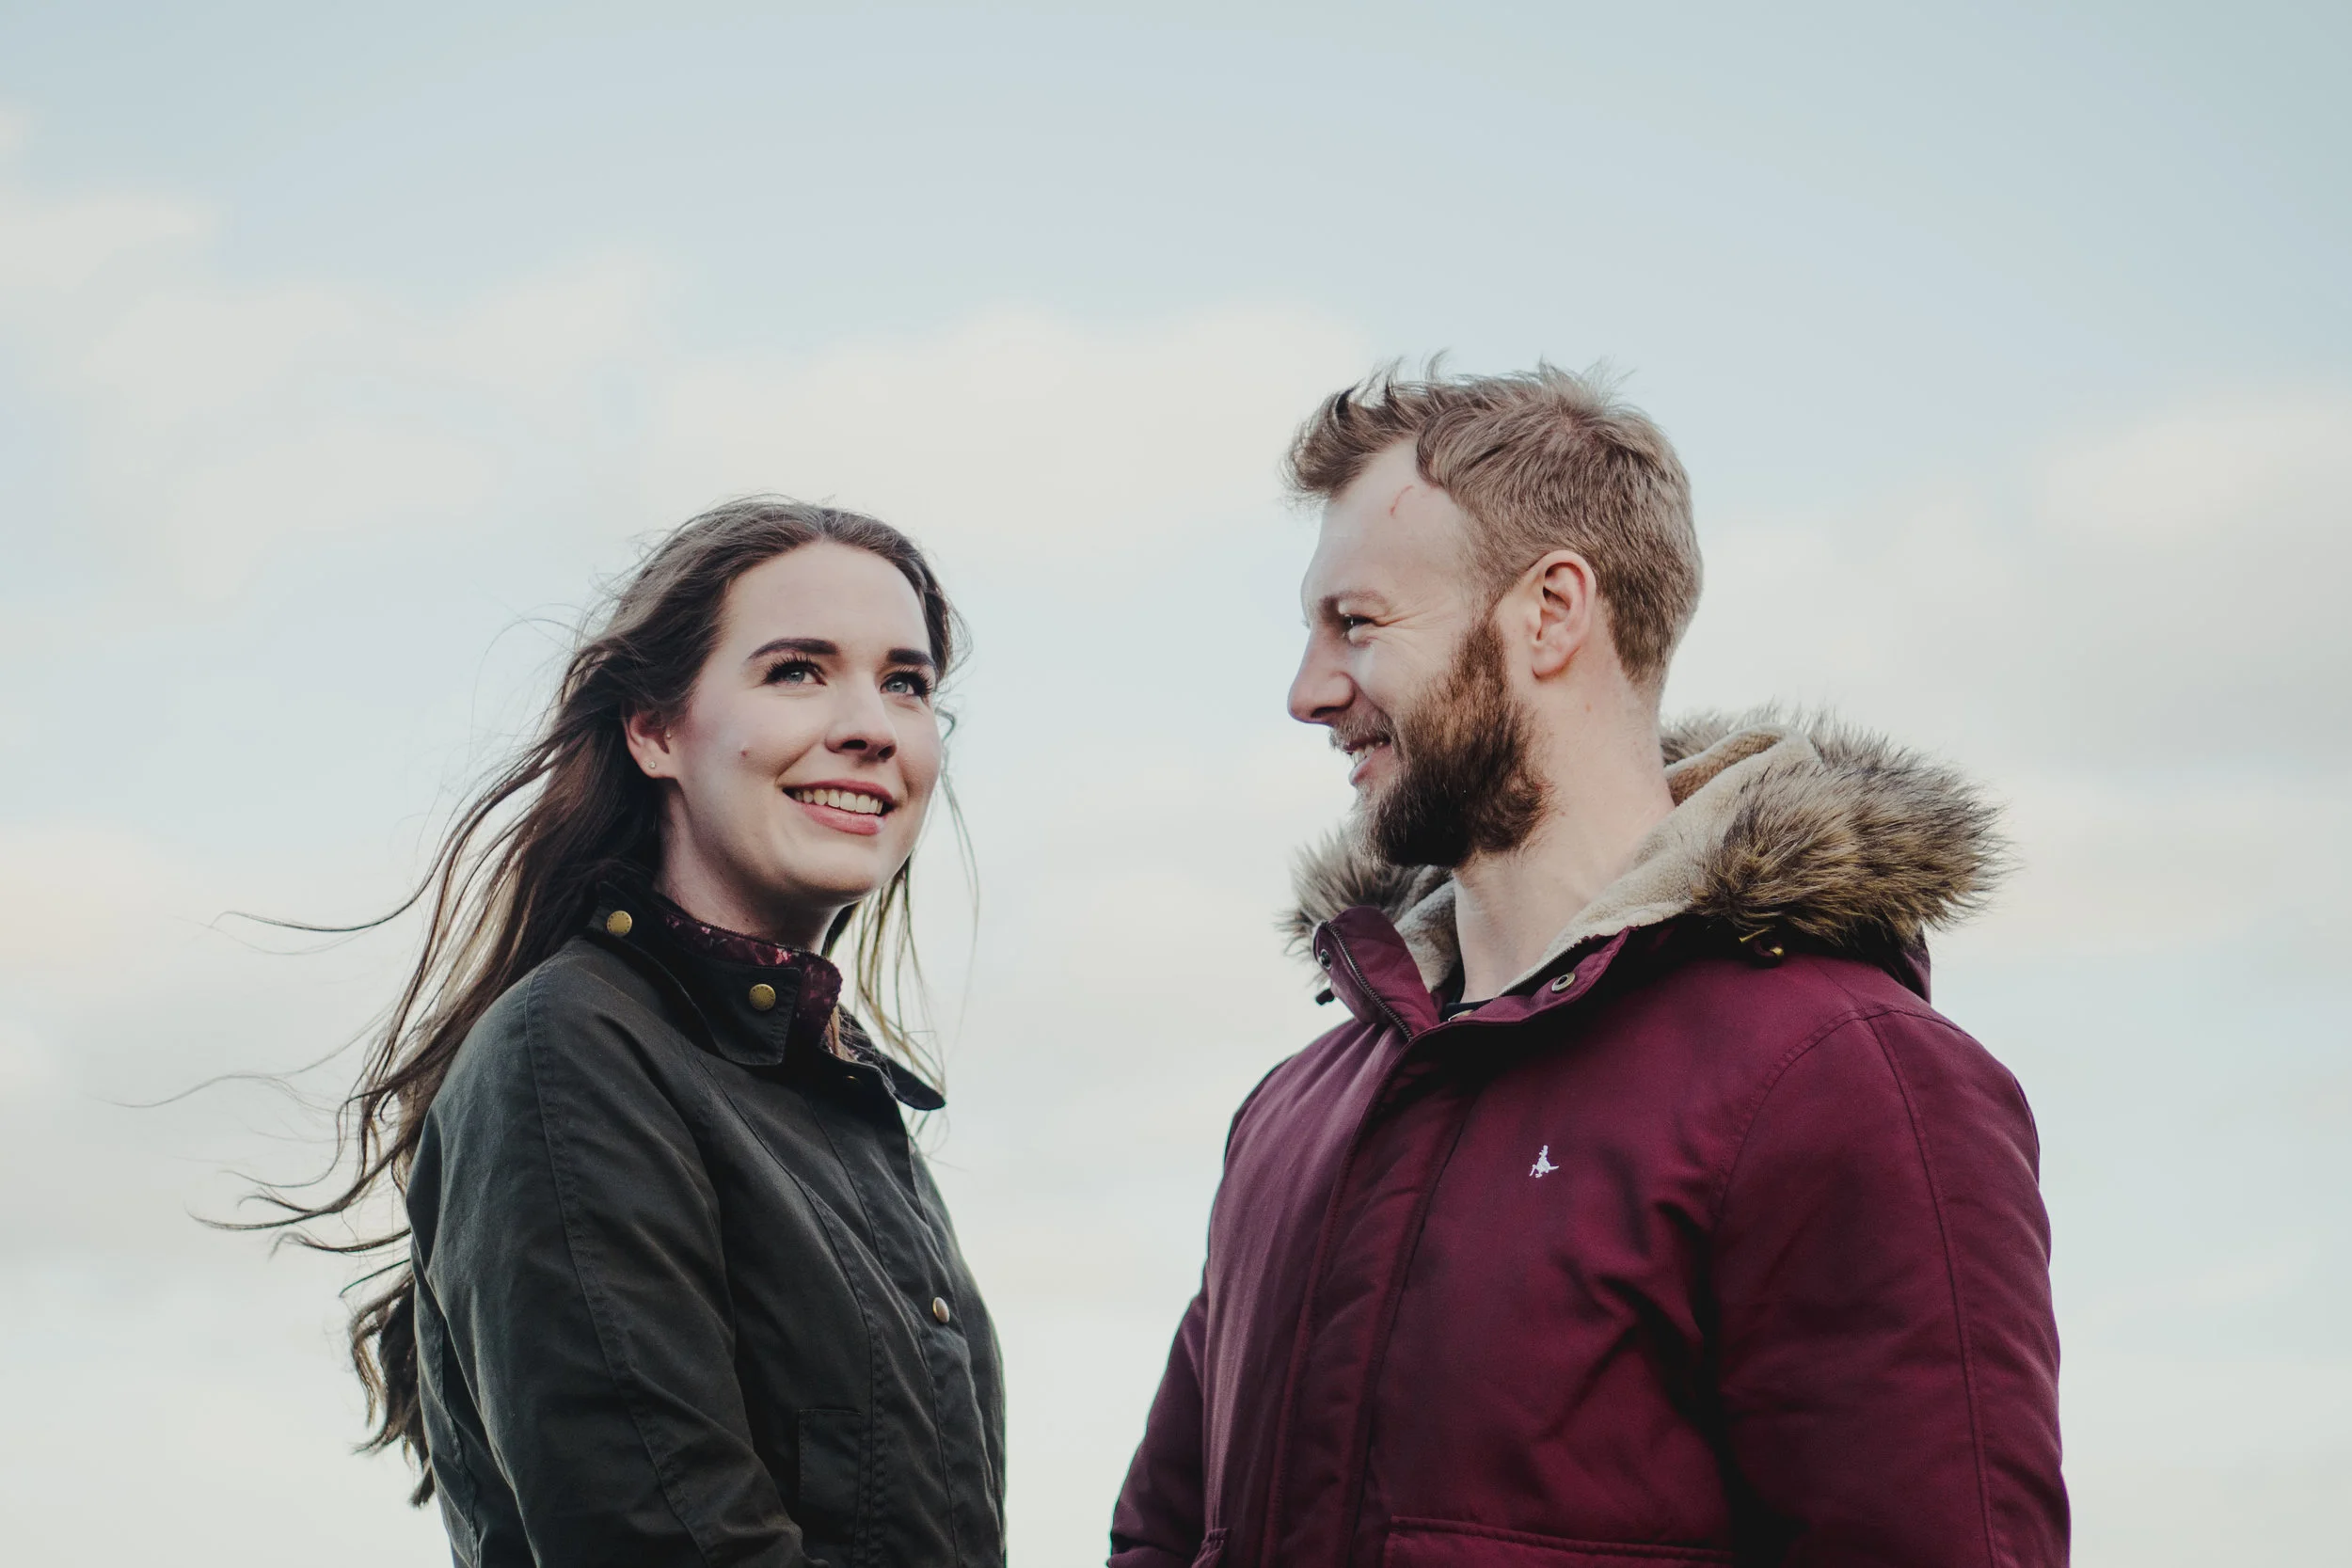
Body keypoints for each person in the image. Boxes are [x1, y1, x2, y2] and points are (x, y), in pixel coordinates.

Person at [1110, 368, 2067, 1567]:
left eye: (1355, 623)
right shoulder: (1290, 1112)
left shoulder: (1845, 1076)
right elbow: (1157, 1536)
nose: (1307, 690)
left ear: (1552, 609)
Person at [262, 499, 1005, 1567]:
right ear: (655, 729)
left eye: (907, 682)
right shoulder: (570, 1054)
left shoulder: (843, 1101)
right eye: (796, 669)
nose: (873, 726)